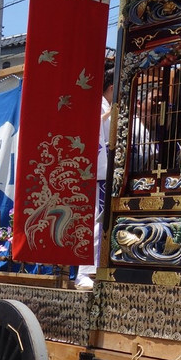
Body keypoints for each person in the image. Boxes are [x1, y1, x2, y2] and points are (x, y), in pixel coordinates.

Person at [76, 65, 115, 290]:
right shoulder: (100, 106)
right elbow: (94, 125)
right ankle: (84, 271)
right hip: (98, 171)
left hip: (102, 171)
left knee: (98, 222)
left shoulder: (105, 106)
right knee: (95, 222)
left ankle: (91, 270)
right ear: (111, 88)